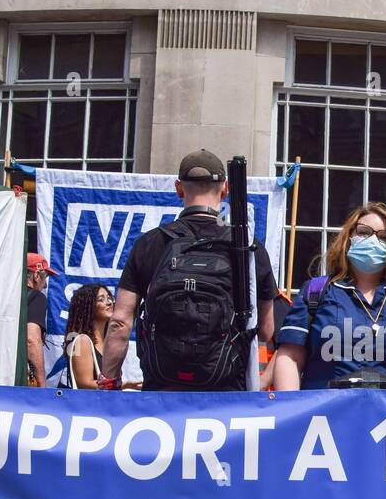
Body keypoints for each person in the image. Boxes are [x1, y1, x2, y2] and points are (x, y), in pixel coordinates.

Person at [99, 150, 277, 391]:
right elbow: (266, 331)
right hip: (225, 395)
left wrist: (109, 381)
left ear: (179, 189)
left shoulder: (150, 243)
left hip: (162, 390)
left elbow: (120, 322)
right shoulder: (247, 247)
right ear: (225, 190)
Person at [272, 202, 386, 391]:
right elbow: (290, 357)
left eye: (384, 237)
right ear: (348, 237)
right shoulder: (316, 291)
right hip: (327, 416)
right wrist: (292, 413)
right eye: (364, 232)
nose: (372, 241)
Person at [58, 283, 140, 390]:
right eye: (101, 299)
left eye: (110, 298)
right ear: (87, 306)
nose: (109, 303)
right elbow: (83, 383)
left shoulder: (108, 341)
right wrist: (121, 385)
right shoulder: (81, 341)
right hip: (89, 405)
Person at [25, 252, 56, 387]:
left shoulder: (1, 296)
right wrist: (42, 384)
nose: (45, 286)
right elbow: (32, 340)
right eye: (46, 278)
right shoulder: (36, 297)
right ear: (36, 276)